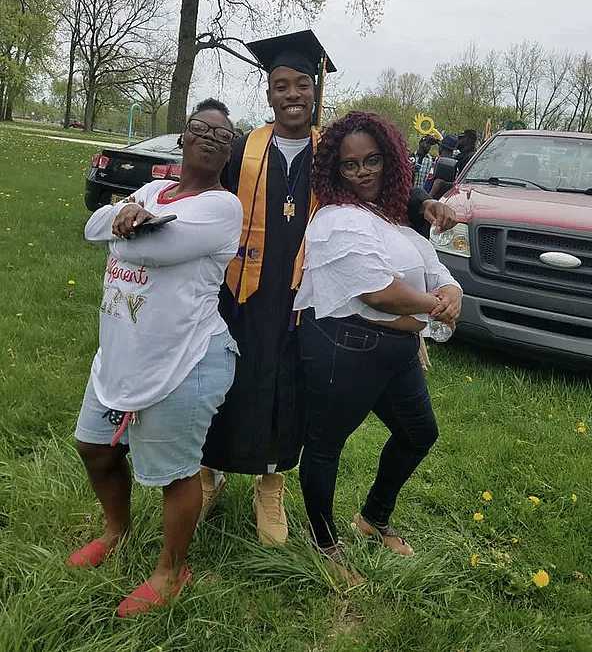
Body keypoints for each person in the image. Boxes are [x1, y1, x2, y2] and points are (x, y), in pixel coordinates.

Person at [200, 31, 459, 546]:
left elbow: (376, 186)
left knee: (286, 387)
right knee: (230, 378)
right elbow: (199, 188)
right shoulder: (241, 150)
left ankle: (269, 484)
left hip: (302, 293)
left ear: (315, 91)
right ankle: (209, 472)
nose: (292, 95)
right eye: (281, 86)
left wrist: (422, 204)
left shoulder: (332, 150)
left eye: (302, 84)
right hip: (244, 288)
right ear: (268, 92)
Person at [69, 99, 243, 617]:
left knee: (174, 473)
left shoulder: (222, 206)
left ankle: (172, 569)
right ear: (182, 138)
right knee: (94, 447)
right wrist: (124, 217)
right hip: (122, 352)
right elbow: (93, 225)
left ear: (228, 152)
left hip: (184, 357)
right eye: (201, 128)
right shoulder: (152, 190)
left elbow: (153, 249)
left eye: (224, 135)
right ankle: (116, 530)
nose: (211, 136)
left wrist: (125, 229)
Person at [294, 112, 462, 581]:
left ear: (389, 161)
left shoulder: (394, 220)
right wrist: (435, 305)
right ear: (335, 171)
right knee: (326, 448)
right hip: (344, 349)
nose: (363, 171)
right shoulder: (335, 219)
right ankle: (323, 542)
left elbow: (435, 269)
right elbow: (377, 291)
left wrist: (453, 292)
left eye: (372, 160)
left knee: (418, 434)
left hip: (397, 353)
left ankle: (372, 518)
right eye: (350, 165)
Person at [426, 133, 458, 199]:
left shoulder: (443, 163)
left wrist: (428, 198)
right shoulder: (454, 163)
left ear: (441, 147)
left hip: (433, 198)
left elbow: (438, 182)